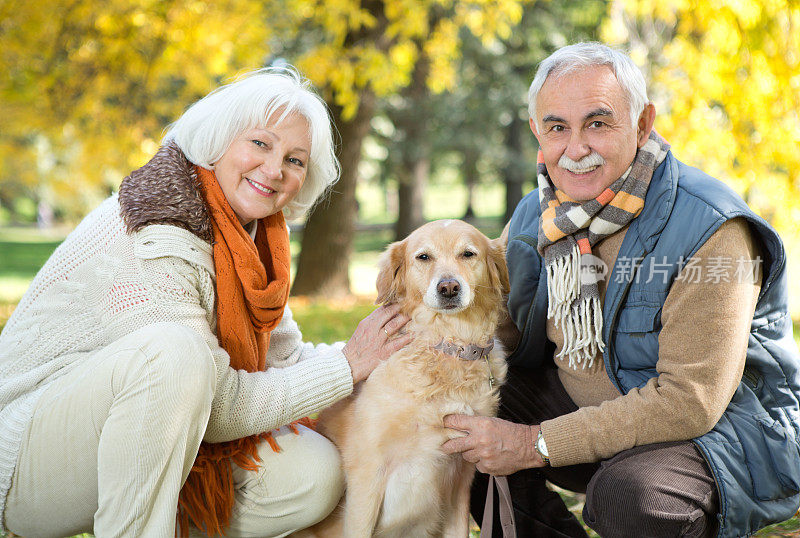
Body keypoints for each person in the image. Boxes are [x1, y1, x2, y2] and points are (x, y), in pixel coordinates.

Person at [0, 67, 412, 537]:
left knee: (312, 476)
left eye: (295, 160)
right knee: (174, 352)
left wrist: (386, 350)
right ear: (219, 139)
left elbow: (286, 359)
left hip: (133, 446)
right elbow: (220, 411)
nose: (275, 170)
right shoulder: (158, 229)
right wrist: (348, 365)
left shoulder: (251, 240)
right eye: (260, 143)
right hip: (24, 463)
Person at [442, 42, 800, 537]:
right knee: (459, 424)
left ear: (642, 123)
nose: (576, 148)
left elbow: (689, 401)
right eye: (557, 127)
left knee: (630, 498)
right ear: (537, 134)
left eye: (598, 123)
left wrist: (535, 443)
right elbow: (488, 316)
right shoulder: (539, 215)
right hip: (590, 414)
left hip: (720, 436)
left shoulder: (712, 230)